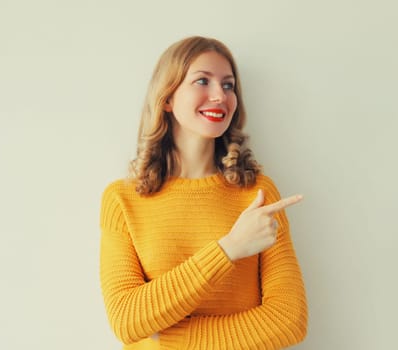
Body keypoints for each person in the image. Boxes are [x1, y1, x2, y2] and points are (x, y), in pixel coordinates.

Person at [99, 36, 307, 350]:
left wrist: (168, 337)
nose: (219, 96)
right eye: (202, 81)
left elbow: (289, 320)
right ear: (167, 98)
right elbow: (127, 319)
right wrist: (229, 248)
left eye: (228, 85)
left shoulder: (257, 193)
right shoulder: (123, 200)